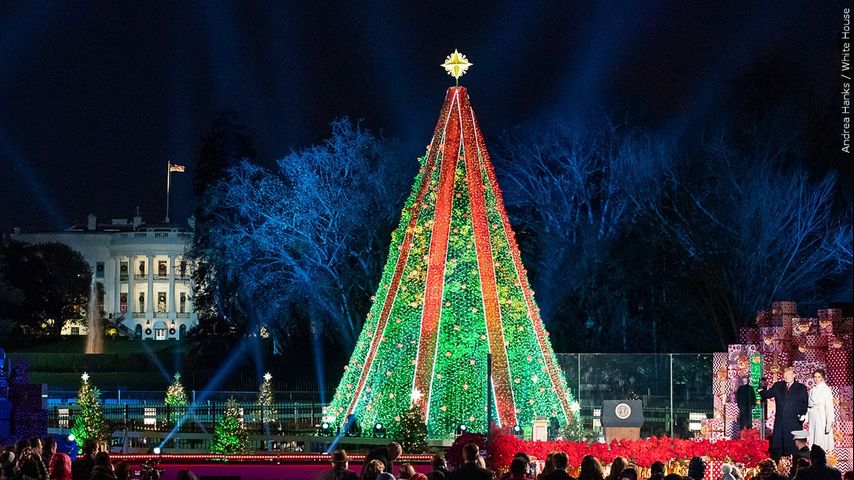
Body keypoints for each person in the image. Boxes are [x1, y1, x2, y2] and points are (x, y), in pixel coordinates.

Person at [759, 367, 809, 461]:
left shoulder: (801, 388)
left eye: (789, 374)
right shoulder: (778, 386)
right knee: (777, 447)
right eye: (785, 375)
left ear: (794, 375)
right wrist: (761, 384)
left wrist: (802, 415)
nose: (786, 376)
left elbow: (805, 403)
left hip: (794, 423)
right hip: (780, 422)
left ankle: (793, 469)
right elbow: (765, 394)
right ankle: (776, 469)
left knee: (792, 448)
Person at [807, 369, 835, 452]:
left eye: (819, 377)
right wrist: (806, 417)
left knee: (821, 439)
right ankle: (814, 457)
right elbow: (809, 405)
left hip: (821, 416)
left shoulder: (826, 390)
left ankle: (821, 459)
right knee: (813, 437)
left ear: (823, 378)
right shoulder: (812, 390)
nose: (816, 379)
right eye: (815, 377)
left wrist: (829, 422)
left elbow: (829, 407)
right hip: (813, 416)